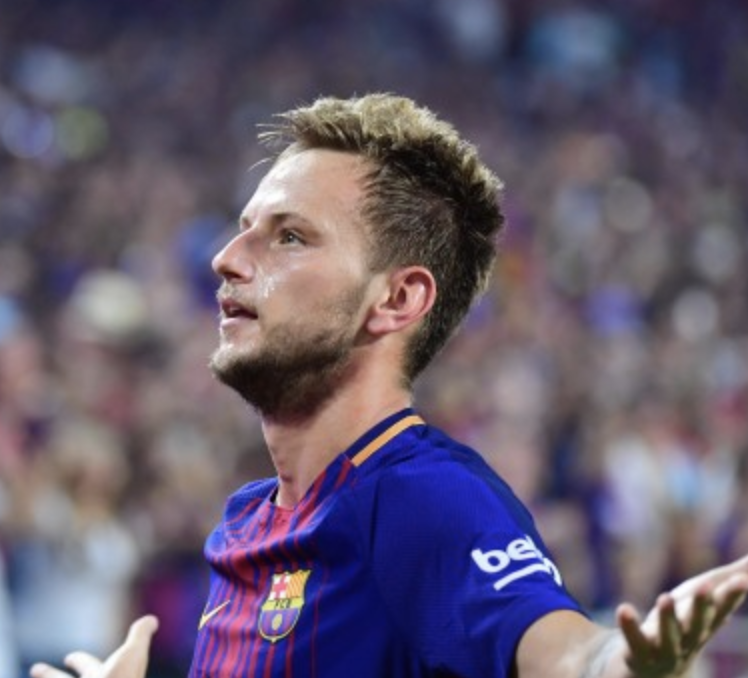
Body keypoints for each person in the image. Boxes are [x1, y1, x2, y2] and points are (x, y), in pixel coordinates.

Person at [30, 94, 748, 678]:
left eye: (289, 236)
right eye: (244, 228)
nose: (226, 258)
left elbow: (560, 652)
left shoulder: (420, 495)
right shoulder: (247, 520)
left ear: (397, 300)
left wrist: (618, 664)